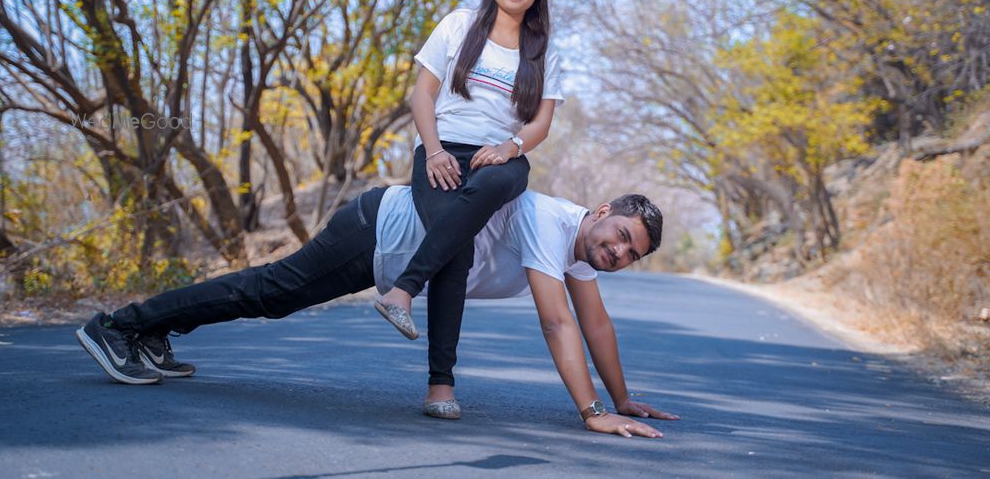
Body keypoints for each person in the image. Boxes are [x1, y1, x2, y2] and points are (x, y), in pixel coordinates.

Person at [76, 186, 678, 437]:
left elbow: (595, 323)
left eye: (631, 254)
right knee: (268, 292)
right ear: (601, 212)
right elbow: (558, 322)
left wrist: (622, 398)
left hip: (384, 253)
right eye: (621, 235)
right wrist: (593, 411)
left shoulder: (580, 249)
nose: (619, 252)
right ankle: (120, 326)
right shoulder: (553, 222)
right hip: (376, 231)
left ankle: (152, 330)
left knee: (271, 298)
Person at [374, 0, 563, 415]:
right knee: (457, 250)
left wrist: (509, 148)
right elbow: (422, 94)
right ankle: (441, 388)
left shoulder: (543, 52)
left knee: (498, 184)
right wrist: (433, 151)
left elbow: (540, 124)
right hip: (442, 151)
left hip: (500, 157)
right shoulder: (460, 24)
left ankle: (404, 289)